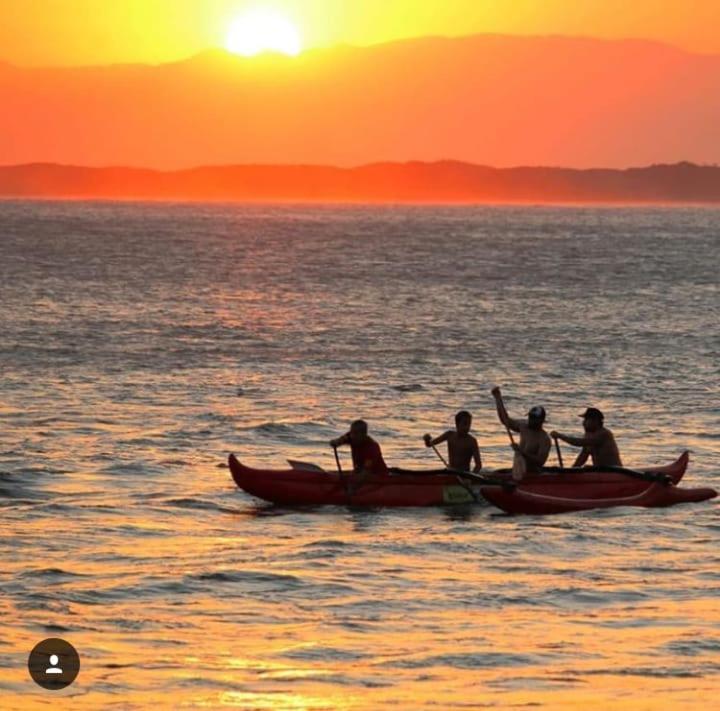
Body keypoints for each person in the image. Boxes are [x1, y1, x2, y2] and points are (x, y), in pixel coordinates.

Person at [491, 386, 551, 476]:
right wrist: (498, 399)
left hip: (533, 474)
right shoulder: (523, 427)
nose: (530, 420)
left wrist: (521, 452)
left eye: (534, 418)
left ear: (541, 420)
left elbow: (540, 461)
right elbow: (505, 420)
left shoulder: (544, 439)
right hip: (518, 470)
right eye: (530, 417)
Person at [551, 407, 622, 467]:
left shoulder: (604, 434)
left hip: (613, 471)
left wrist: (560, 436)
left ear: (595, 421)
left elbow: (579, 442)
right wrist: (573, 469)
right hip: (600, 471)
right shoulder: (589, 435)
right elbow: (583, 456)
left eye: (586, 420)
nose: (584, 423)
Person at [330, 419, 388, 489]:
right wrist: (335, 443)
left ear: (364, 434)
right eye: (352, 433)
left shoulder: (372, 447)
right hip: (360, 472)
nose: (352, 436)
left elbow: (365, 472)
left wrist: (353, 488)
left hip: (377, 476)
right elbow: (337, 441)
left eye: (356, 434)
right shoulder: (351, 437)